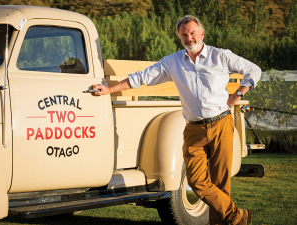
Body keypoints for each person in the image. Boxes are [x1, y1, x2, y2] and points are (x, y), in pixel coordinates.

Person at [93, 15, 261, 225]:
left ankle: (223, 222)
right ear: (179, 37)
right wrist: (109, 89)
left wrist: (238, 94)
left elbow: (254, 70)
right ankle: (238, 217)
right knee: (196, 181)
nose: (189, 38)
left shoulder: (220, 56)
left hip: (221, 124)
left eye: (192, 33)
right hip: (193, 129)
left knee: (220, 183)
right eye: (184, 34)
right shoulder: (173, 62)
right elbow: (141, 77)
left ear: (202, 34)